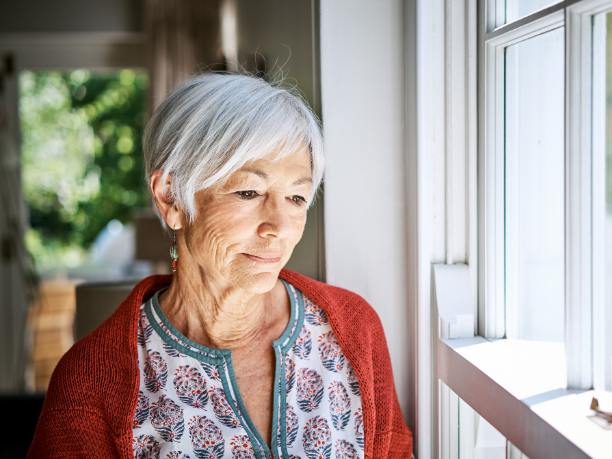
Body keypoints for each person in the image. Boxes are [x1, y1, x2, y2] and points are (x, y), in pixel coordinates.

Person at [28, 73, 413, 459]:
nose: (278, 228)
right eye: (249, 192)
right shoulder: (88, 386)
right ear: (171, 198)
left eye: (296, 197)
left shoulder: (354, 332)